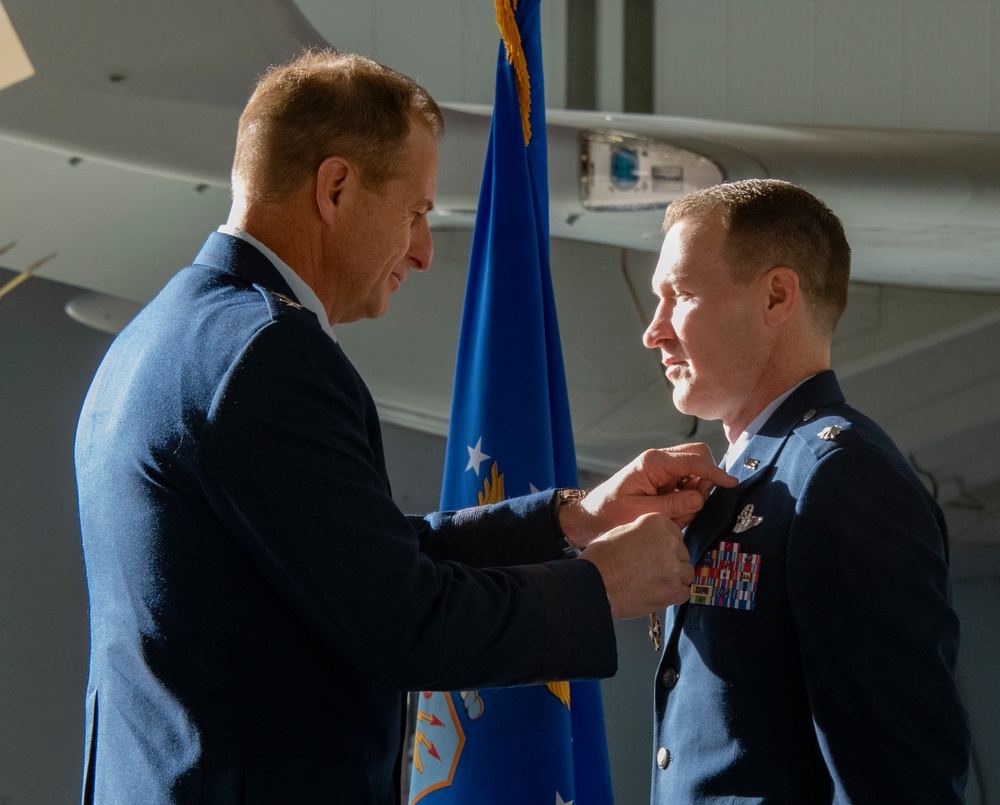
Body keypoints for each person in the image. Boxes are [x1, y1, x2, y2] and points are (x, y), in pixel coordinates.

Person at [74, 49, 734, 805]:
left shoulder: (160, 335)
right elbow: (399, 622)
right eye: (415, 212)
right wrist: (598, 585)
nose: (422, 251)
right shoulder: (268, 353)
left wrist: (571, 519)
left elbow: (351, 562)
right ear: (336, 187)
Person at [643, 178, 971, 803]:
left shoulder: (842, 478)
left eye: (680, 295)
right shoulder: (755, 477)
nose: (654, 331)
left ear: (775, 296)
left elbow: (900, 773)